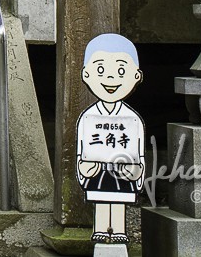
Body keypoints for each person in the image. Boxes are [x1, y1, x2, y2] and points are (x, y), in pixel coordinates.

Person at [76, 33, 145, 248]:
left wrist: (137, 170)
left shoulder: (132, 119)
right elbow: (81, 149)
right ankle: (100, 229)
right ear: (86, 74)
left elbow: (139, 152)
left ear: (136, 76)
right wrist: (83, 167)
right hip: (98, 170)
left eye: (121, 71)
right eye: (100, 70)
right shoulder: (88, 117)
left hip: (122, 169)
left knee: (118, 200)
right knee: (102, 198)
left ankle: (118, 230)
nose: (111, 78)